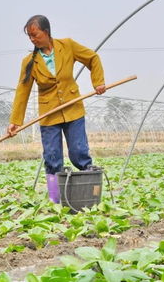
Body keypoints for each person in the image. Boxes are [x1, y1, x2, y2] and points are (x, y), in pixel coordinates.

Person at [7, 15, 106, 203]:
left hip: (73, 109)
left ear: (46, 32)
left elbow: (92, 58)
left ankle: (90, 197)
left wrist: (98, 82)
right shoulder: (30, 62)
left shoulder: (67, 46)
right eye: (29, 36)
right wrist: (15, 122)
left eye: (35, 35)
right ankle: (55, 199)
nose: (32, 39)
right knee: (52, 159)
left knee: (79, 153)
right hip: (49, 115)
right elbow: (22, 91)